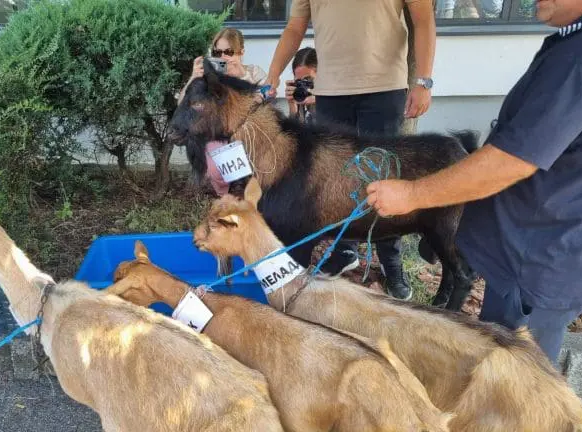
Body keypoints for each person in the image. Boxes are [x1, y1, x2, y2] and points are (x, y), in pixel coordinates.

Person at [365, 0, 582, 364]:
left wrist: (412, 193)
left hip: (539, 259)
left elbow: (511, 161)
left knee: (517, 385)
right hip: (553, 245)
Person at [265, 0, 437, 301]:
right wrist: (273, 74)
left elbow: (423, 19)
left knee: (384, 176)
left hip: (383, 89)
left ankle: (391, 261)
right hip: (331, 93)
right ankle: (345, 250)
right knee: (337, 180)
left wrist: (423, 81)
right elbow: (294, 28)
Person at [177, 27, 269, 196]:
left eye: (228, 52)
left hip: (248, 133)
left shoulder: (254, 72)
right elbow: (182, 103)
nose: (223, 57)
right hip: (219, 134)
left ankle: (251, 199)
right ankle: (227, 197)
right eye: (217, 52)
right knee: (217, 170)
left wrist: (240, 75)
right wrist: (193, 77)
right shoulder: (208, 78)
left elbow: (265, 98)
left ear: (241, 52)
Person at [285, 47, 317, 123]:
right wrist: (292, 106)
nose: (303, 85)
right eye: (299, 81)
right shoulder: (299, 95)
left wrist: (321, 101)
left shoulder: (333, 96)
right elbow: (292, 133)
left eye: (308, 80)